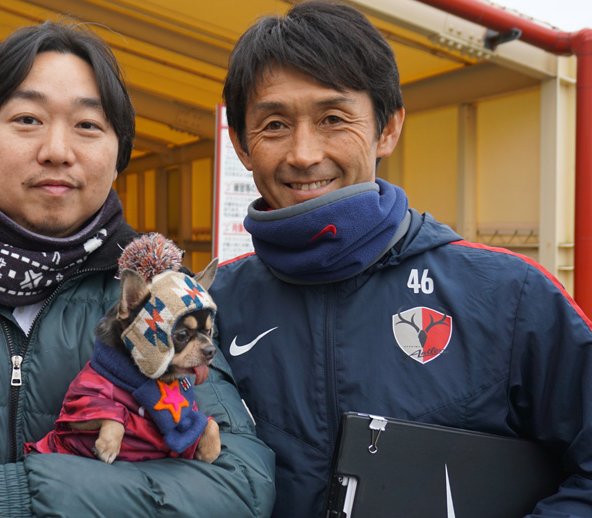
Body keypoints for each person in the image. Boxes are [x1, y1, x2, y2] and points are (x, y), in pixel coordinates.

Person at [0, 21, 274, 517]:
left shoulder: (158, 298)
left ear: (118, 156)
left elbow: (238, 485)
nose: (57, 150)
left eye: (88, 125)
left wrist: (16, 501)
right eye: (27, 119)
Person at [208, 1, 592, 517]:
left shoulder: (510, 295)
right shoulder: (207, 308)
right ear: (241, 144)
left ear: (387, 129)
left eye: (332, 119)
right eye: (274, 124)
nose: (303, 153)